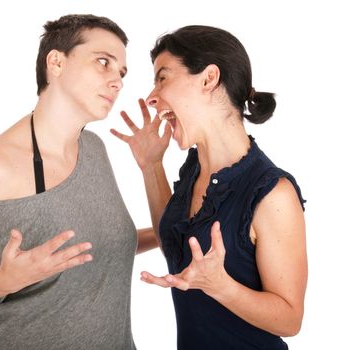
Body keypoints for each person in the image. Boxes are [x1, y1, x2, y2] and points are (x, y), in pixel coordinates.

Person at [0, 14, 157, 350]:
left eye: (121, 73)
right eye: (103, 63)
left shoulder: (94, 149)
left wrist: (166, 235)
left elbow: (91, 247)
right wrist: (4, 280)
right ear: (56, 62)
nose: (117, 81)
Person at [112, 25, 307, 350]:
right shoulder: (194, 168)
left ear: (208, 78)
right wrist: (151, 167)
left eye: (163, 77)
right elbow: (175, 244)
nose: (151, 96)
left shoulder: (273, 193)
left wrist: (222, 287)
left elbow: (290, 319)